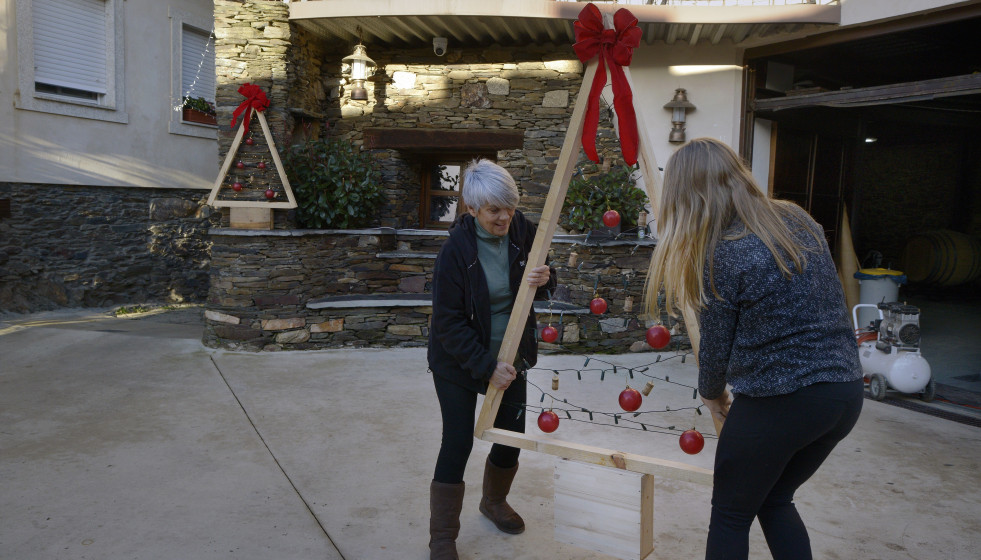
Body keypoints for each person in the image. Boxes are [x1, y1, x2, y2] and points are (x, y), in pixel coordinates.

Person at [643, 138, 864, 560]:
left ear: (685, 197)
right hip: (844, 395)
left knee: (730, 514)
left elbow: (715, 348)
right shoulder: (795, 219)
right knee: (775, 499)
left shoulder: (718, 253)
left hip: (782, 401)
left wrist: (712, 396)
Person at [427, 159, 556, 560]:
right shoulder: (455, 252)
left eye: (510, 207)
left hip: (511, 354)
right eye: (494, 211)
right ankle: (443, 536)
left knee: (510, 438)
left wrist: (546, 279)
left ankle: (493, 502)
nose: (505, 217)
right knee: (458, 441)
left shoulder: (524, 231)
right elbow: (448, 324)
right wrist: (486, 367)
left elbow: (546, 287)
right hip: (458, 361)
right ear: (472, 210)